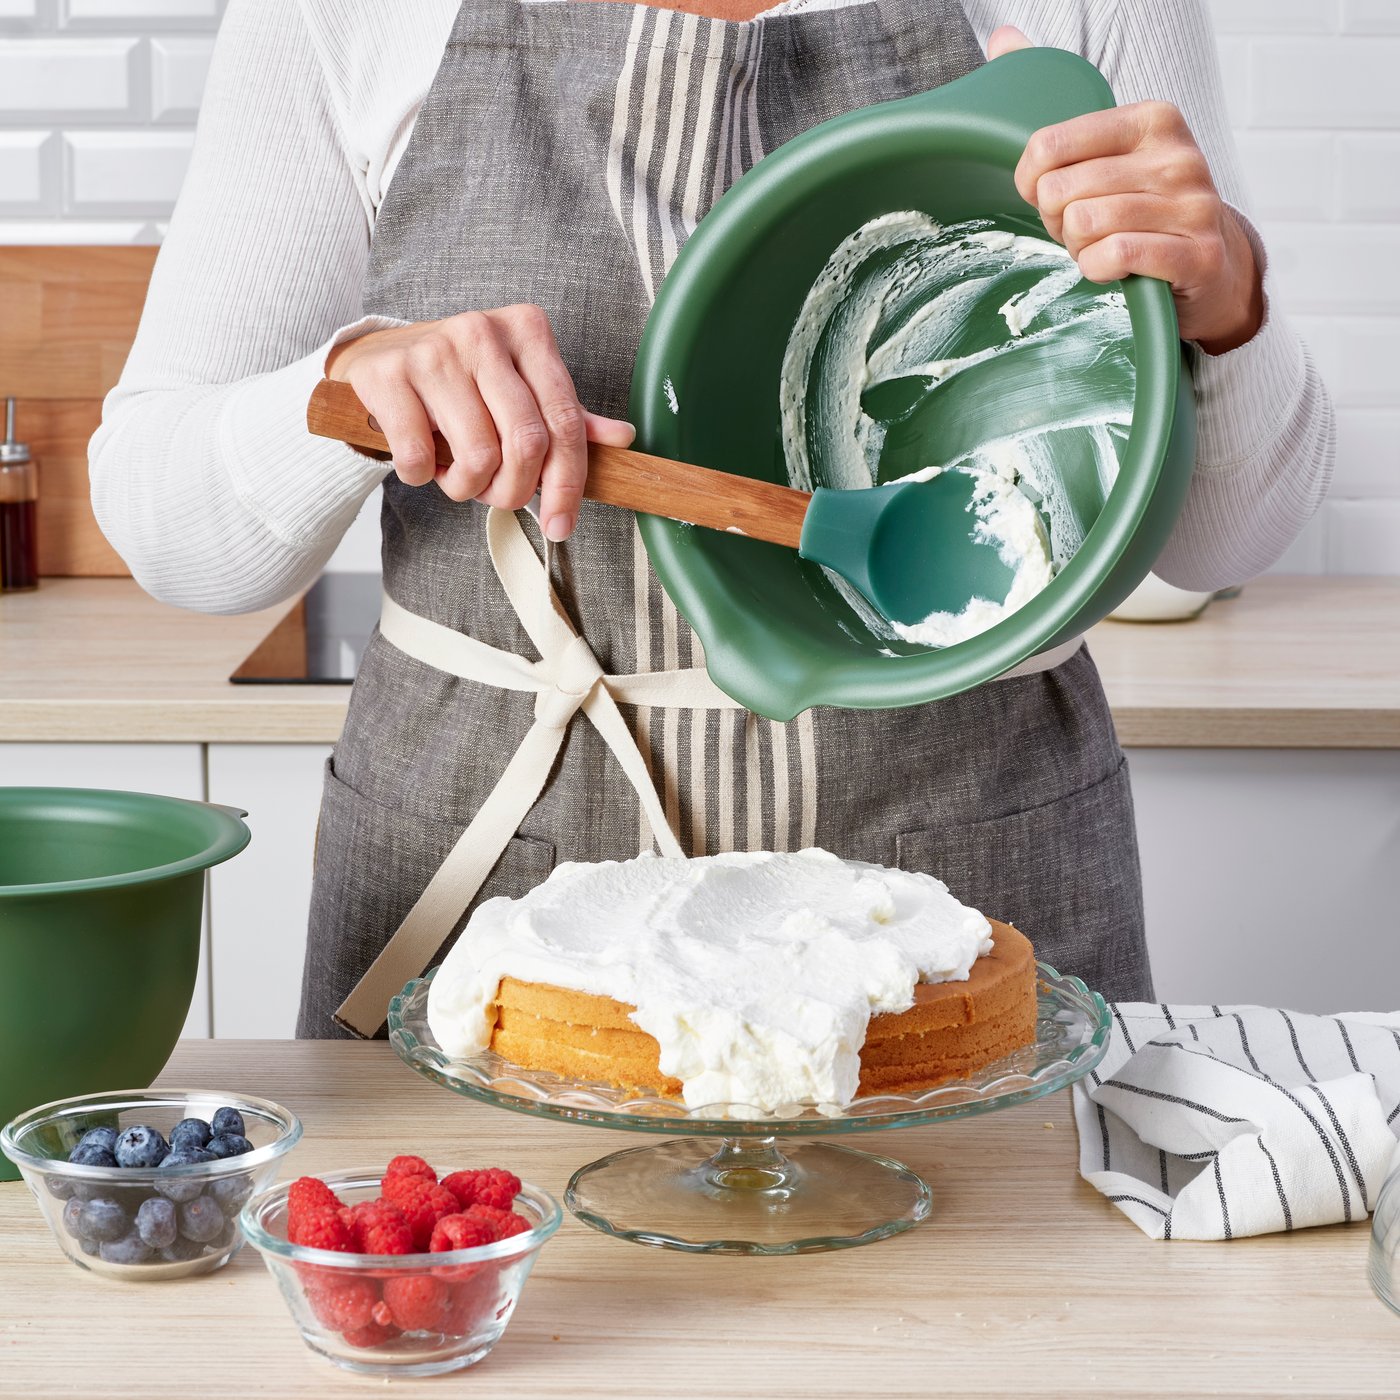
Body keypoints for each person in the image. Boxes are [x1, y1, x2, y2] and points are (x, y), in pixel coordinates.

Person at [90, 0, 1333, 1036]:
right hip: (486, 912)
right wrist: (353, 378)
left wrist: (1223, 292)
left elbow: (1226, 535)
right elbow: (163, 518)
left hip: (962, 904)